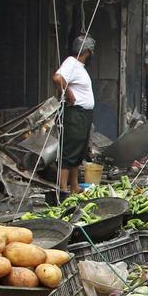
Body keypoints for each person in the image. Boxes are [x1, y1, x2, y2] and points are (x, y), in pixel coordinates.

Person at [52, 35, 96, 193]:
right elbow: (58, 78)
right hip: (75, 113)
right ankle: (63, 189)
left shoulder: (79, 67)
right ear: (88, 52)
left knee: (79, 151)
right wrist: (69, 95)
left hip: (84, 115)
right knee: (70, 149)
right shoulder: (71, 62)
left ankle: (75, 186)